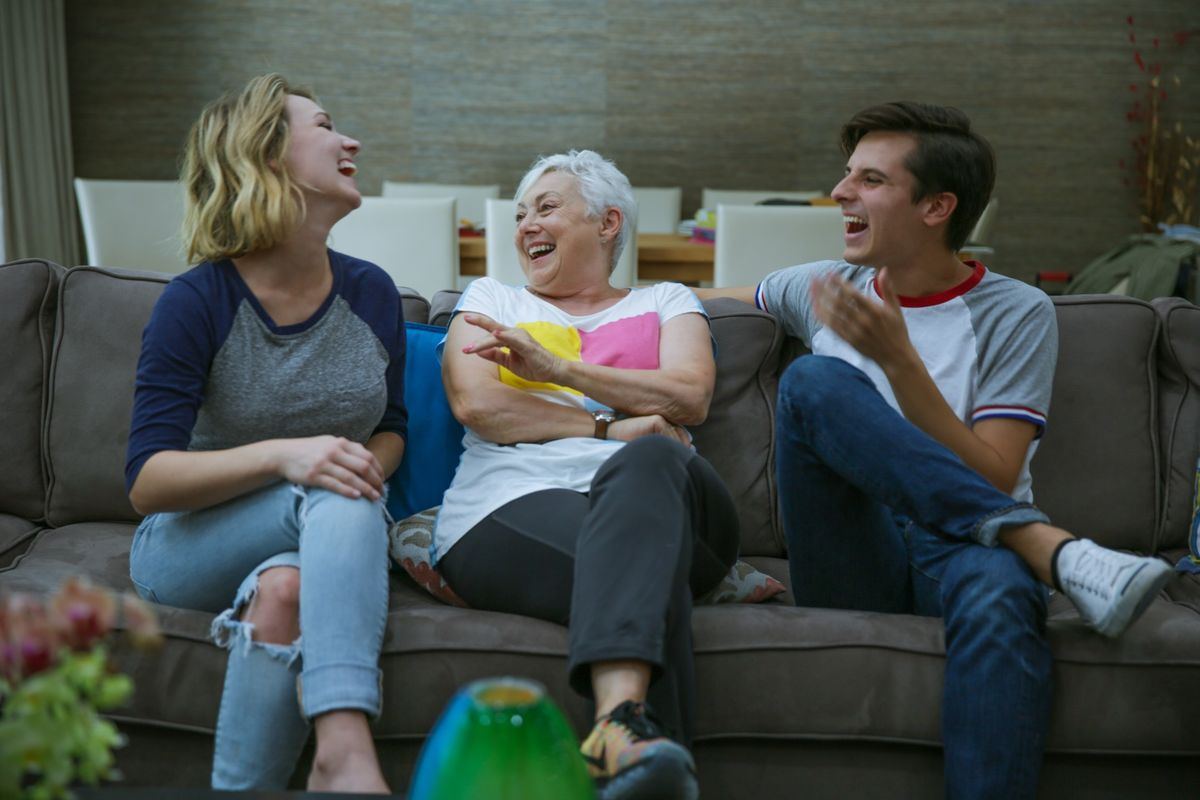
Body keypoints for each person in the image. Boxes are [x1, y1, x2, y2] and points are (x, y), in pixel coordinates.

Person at [696, 101, 1174, 799]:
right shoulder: (829, 287)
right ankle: (1054, 551)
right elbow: (693, 299)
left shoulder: (1015, 311)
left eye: (870, 180)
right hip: (850, 550)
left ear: (936, 206)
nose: (839, 193)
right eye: (847, 175)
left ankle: (1027, 552)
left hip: (963, 552)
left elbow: (994, 471)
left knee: (1005, 590)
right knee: (815, 379)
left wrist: (900, 365)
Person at [124, 74, 405, 793]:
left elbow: (393, 428)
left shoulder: (371, 292)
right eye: (325, 125)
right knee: (338, 490)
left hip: (321, 536)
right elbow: (148, 479)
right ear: (267, 155)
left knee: (285, 591)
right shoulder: (198, 300)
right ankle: (343, 746)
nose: (352, 141)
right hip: (192, 541)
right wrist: (291, 456)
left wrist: (357, 464)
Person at [436, 149, 737, 800]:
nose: (525, 226)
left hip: (675, 502)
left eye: (546, 208)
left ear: (607, 223)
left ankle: (618, 732)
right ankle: (623, 729)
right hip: (510, 506)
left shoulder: (668, 299)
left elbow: (688, 397)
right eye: (519, 215)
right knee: (652, 577)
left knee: (654, 457)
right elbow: (478, 404)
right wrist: (611, 424)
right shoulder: (492, 298)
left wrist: (562, 371)